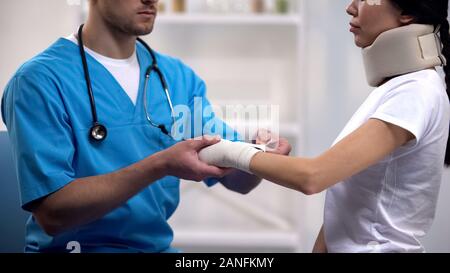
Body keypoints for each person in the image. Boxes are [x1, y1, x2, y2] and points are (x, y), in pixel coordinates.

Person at [0, 0, 290, 253]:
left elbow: (236, 180)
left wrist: (259, 157)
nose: (152, 0)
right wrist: (161, 164)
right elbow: (54, 214)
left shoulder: (176, 78)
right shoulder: (39, 82)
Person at [198, 0, 450, 252]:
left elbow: (313, 177)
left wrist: (225, 152)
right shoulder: (397, 89)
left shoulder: (416, 92)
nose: (351, 7)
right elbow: (345, 207)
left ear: (406, 13)